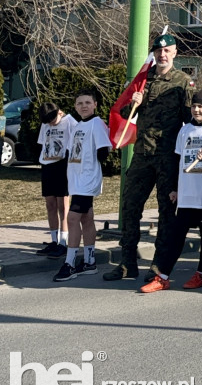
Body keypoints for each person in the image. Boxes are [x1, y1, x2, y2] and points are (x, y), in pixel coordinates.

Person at [104, 34, 193, 282]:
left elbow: (191, 119)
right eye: (158, 51)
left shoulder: (183, 82)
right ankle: (127, 263)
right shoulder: (144, 80)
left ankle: (158, 264)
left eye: (167, 51)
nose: (162, 55)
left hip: (167, 156)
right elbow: (123, 110)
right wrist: (134, 101)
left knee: (166, 212)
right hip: (142, 154)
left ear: (175, 53)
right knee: (130, 207)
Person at [140, 91, 202, 292]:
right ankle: (163, 277)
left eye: (201, 106)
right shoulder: (185, 130)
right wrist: (174, 188)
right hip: (186, 194)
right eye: (194, 106)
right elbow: (177, 160)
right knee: (176, 235)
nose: (196, 109)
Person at [53, 90, 112, 282]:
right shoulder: (78, 125)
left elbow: (103, 152)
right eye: (80, 103)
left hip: (87, 180)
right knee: (87, 218)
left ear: (95, 104)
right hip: (76, 180)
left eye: (88, 102)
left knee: (72, 218)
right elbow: (71, 153)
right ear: (75, 106)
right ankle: (89, 262)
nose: (84, 106)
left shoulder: (97, 124)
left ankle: (69, 263)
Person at [35, 102, 73, 259]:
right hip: (47, 164)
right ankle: (53, 241)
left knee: (62, 205)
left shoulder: (69, 121)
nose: (51, 124)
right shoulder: (46, 124)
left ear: (58, 113)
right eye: (47, 122)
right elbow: (42, 143)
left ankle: (63, 243)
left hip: (63, 166)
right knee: (50, 204)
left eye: (52, 120)